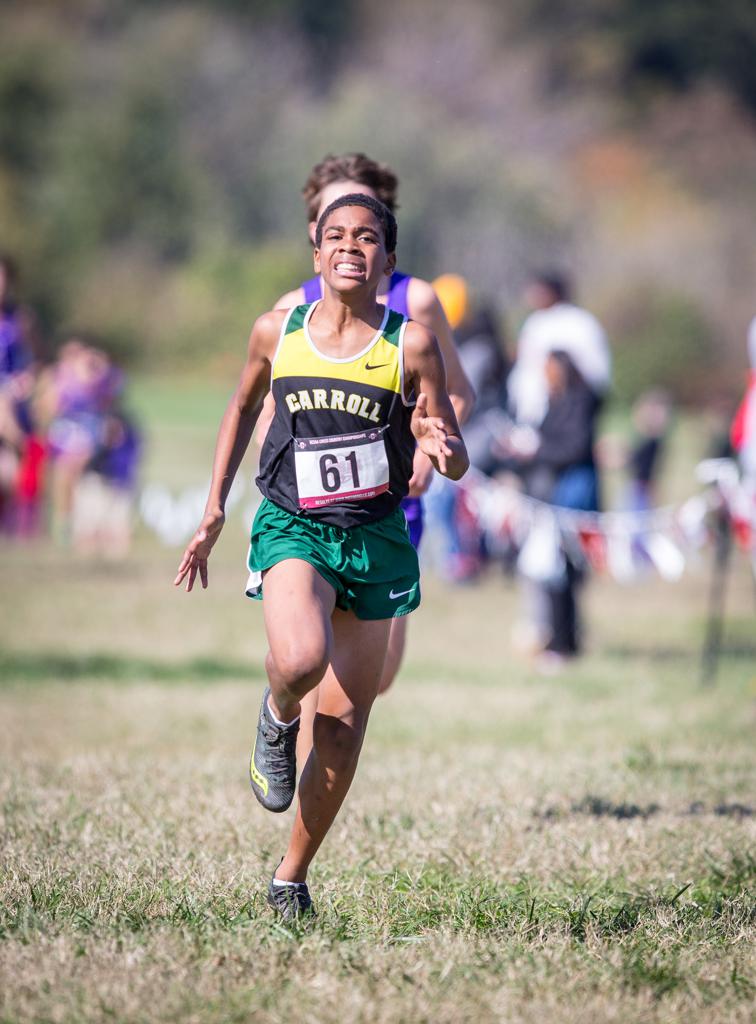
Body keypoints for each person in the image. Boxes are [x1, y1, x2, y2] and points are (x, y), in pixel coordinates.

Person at [175, 194, 469, 919]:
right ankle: (276, 715)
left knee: (341, 727)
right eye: (336, 236)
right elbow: (241, 409)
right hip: (293, 524)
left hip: (375, 533)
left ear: (388, 261)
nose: (350, 247)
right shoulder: (278, 332)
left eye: (367, 238)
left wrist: (445, 448)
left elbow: (452, 451)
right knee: (301, 661)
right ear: (316, 255)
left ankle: (290, 879)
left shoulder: (413, 344)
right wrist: (213, 508)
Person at [265, 153, 474, 769]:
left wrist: (432, 447)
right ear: (313, 231)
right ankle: (296, 762)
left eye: (362, 217)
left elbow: (455, 390)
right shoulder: (290, 308)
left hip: (392, 500)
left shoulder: (419, 300)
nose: (347, 229)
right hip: (308, 509)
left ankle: (320, 743)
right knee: (310, 660)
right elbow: (265, 405)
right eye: (329, 217)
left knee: (374, 678)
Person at [510, 351, 601, 665]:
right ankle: (560, 638)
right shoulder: (553, 400)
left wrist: (536, 451)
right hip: (551, 494)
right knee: (551, 570)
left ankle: (564, 643)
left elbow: (574, 447)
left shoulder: (581, 400)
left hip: (574, 495)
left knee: (565, 569)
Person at [507, 270, 611, 428]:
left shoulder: (578, 321)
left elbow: (592, 368)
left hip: (571, 404)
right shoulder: (535, 322)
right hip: (535, 407)